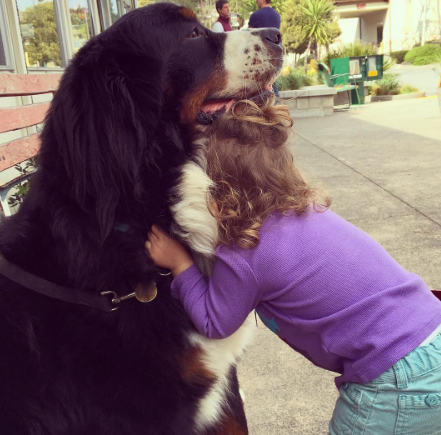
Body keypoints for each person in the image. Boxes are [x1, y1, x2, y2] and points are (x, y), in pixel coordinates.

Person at [145, 98, 441, 435]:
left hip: (395, 381)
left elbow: (215, 322)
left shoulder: (245, 251)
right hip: (432, 336)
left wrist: (180, 263)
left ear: (215, 198)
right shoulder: (307, 210)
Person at [248, 0, 281, 96]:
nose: (256, 1)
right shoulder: (276, 15)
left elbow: (249, 36)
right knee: (272, 83)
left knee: (263, 87)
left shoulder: (255, 16)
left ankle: (275, 107)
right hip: (275, 55)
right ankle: (277, 105)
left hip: (260, 56)